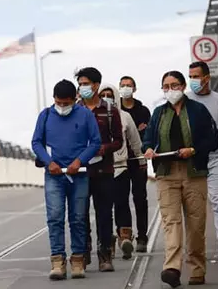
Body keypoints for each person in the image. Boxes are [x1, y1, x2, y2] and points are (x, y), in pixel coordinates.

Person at [143, 70, 218, 287]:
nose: (170, 90)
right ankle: (172, 268)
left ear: (183, 85)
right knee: (171, 222)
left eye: (174, 85)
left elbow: (212, 140)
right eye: (165, 86)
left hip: (194, 173)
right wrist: (148, 149)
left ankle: (197, 269)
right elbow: (148, 138)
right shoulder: (158, 113)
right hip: (166, 174)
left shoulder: (198, 110)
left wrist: (193, 150)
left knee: (196, 224)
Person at [31, 79, 101, 280]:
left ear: (75, 99)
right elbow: (36, 142)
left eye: (66, 103)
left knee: (78, 218)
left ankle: (78, 259)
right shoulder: (45, 116)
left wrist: (80, 161)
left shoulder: (85, 115)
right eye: (59, 103)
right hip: (54, 175)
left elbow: (95, 142)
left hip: (78, 175)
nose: (62, 107)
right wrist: (48, 162)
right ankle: (57, 260)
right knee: (55, 217)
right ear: (54, 99)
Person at [76, 68, 123, 272]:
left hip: (104, 170)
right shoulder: (75, 109)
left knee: (105, 214)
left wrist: (104, 148)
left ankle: (105, 255)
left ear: (96, 85)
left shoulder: (110, 110)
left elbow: (119, 141)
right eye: (80, 84)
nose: (82, 87)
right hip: (81, 171)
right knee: (81, 214)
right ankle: (83, 253)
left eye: (85, 83)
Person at [187, 61, 218, 261]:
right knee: (193, 204)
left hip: (216, 157)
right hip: (191, 159)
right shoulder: (185, 100)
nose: (193, 81)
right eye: (190, 77)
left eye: (196, 76)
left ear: (207, 77)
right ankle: (193, 243)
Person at [98, 83, 145, 260]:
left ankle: (125, 236)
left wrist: (141, 159)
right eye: (103, 95)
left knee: (122, 203)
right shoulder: (94, 116)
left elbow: (135, 141)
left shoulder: (124, 116)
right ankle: (107, 240)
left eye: (110, 94)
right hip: (100, 169)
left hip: (121, 167)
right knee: (104, 208)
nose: (107, 97)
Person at [119, 76, 150, 252]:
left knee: (140, 198)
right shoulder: (115, 110)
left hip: (138, 160)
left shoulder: (143, 110)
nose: (125, 88)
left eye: (128, 86)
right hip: (120, 161)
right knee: (121, 200)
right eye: (122, 86)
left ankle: (142, 237)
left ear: (135, 89)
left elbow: (148, 134)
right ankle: (125, 235)